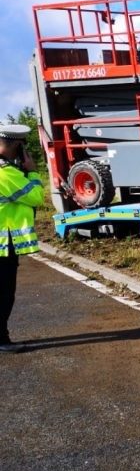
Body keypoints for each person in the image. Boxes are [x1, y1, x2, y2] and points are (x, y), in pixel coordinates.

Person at [0, 124, 44, 352]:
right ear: (16, 146)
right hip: (3, 245)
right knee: (4, 293)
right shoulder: (6, 173)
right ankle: (1, 340)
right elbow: (36, 197)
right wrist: (33, 172)